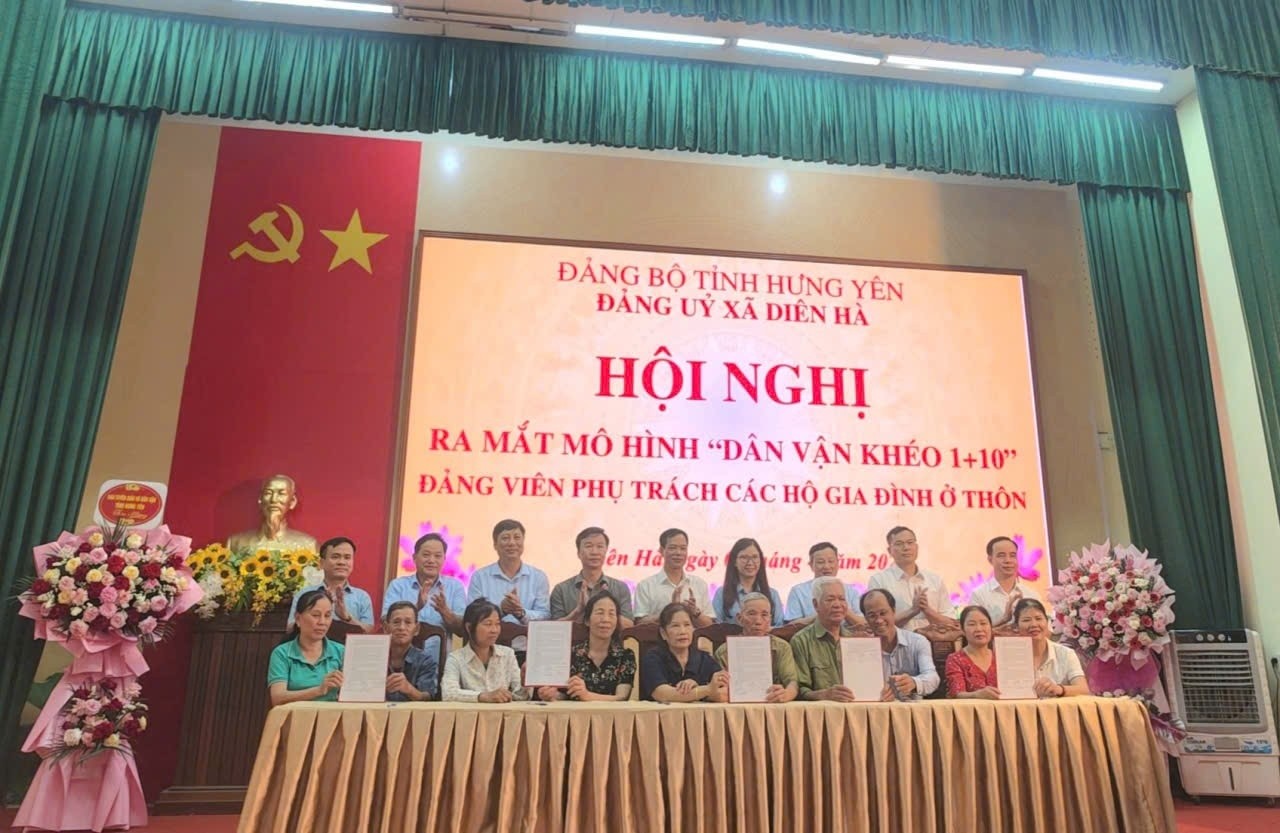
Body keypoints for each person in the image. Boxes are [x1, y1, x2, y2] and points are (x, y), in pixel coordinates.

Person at [536, 591, 636, 702]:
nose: (606, 619)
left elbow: (621, 697)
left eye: (611, 614)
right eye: (600, 613)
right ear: (587, 620)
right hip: (575, 713)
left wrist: (587, 696)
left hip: (612, 713)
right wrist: (551, 695)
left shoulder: (626, 656)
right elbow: (565, 696)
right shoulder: (570, 655)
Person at [867, 526, 956, 632]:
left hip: (933, 641)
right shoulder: (879, 581)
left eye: (910, 542)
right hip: (896, 641)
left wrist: (927, 610)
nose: (906, 547)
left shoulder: (934, 580)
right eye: (899, 544)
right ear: (890, 550)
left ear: (916, 547)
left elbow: (952, 624)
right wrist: (912, 611)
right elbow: (877, 623)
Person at [713, 593, 798, 703]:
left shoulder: (782, 647)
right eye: (752, 614)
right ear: (739, 618)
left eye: (764, 615)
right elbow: (719, 687)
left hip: (773, 703)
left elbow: (792, 682)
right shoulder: (725, 651)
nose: (758, 621)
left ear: (770, 619)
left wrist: (787, 694)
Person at [267, 589, 345, 706]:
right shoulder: (282, 653)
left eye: (327, 616)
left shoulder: (341, 651)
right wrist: (318, 690)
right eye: (315, 615)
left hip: (331, 715)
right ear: (298, 618)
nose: (322, 622)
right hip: (295, 716)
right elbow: (277, 698)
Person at [441, 599, 528, 702]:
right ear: (469, 627)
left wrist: (524, 683)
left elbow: (520, 697)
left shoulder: (508, 654)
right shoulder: (456, 658)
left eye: (497, 624)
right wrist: (482, 696)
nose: (494, 630)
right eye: (488, 624)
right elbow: (448, 694)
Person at [861, 588, 941, 700]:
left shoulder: (918, 642)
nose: (879, 620)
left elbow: (933, 678)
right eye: (872, 616)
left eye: (883, 613)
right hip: (877, 708)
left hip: (912, 709)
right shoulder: (861, 649)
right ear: (866, 618)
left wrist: (914, 682)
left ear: (893, 611)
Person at [639, 603, 728, 702]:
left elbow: (725, 691)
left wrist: (698, 689)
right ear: (663, 633)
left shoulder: (704, 659)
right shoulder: (652, 658)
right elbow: (662, 694)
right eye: (675, 626)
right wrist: (706, 690)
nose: (682, 631)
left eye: (687, 625)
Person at [467, 519, 550, 624]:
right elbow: (472, 616)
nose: (511, 543)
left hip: (526, 634)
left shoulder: (538, 577)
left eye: (517, 537)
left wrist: (521, 613)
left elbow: (545, 615)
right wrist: (501, 609)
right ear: (495, 545)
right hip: (492, 635)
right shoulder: (479, 577)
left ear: (523, 542)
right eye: (505, 538)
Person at [790, 577, 860, 701]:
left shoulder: (855, 640)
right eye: (830, 599)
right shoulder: (801, 641)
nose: (837, 605)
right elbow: (800, 690)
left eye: (842, 599)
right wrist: (825, 695)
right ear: (816, 604)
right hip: (820, 711)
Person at [382, 532, 467, 634]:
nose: (431, 560)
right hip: (405, 645)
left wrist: (445, 611)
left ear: (444, 559)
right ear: (414, 557)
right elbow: (385, 622)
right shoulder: (398, 585)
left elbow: (462, 629)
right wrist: (416, 607)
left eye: (437, 556)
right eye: (426, 555)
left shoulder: (455, 586)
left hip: (441, 644)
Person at [549, 527, 635, 627]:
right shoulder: (561, 590)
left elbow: (628, 625)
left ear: (606, 551)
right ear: (578, 553)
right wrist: (578, 611)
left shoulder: (620, 588)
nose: (594, 552)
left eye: (600, 546)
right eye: (589, 546)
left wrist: (602, 610)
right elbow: (555, 628)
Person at [288, 536, 374, 632]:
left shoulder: (361, 597)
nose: (341, 562)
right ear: (321, 563)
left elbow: (369, 632)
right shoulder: (304, 593)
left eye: (347, 557)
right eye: (335, 557)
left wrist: (346, 617)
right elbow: (290, 628)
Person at [634, 528, 713, 626]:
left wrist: (695, 612)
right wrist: (670, 611)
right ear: (661, 550)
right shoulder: (646, 586)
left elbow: (710, 625)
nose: (678, 553)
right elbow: (639, 623)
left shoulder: (699, 584)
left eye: (683, 548)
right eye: (672, 548)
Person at [1016, 599, 1089, 698]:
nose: (1034, 624)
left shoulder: (1066, 653)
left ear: (1047, 622)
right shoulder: (1009, 656)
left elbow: (1083, 689)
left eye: (1038, 618)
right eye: (1026, 620)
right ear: (1016, 626)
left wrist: (1058, 689)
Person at [785, 541, 864, 625]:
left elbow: (863, 624)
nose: (826, 566)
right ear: (811, 565)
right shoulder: (798, 591)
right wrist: (822, 614)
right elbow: (791, 626)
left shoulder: (851, 592)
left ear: (838, 563)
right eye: (820, 562)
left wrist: (842, 609)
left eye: (831, 561)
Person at [712, 538, 785, 627]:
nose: (750, 562)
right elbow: (716, 627)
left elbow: (779, 627)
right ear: (734, 561)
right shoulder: (722, 594)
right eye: (744, 557)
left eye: (754, 557)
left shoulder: (772, 594)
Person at [968, 536, 1040, 626]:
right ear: (990, 560)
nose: (1008, 560)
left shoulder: (1032, 595)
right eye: (1001, 556)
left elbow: (1046, 630)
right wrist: (1004, 620)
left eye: (1012, 555)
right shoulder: (979, 596)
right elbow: (975, 631)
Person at [383, 601, 438, 701]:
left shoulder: (426, 661)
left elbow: (428, 698)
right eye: (396, 622)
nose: (401, 627)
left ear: (416, 629)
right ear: (386, 628)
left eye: (408, 622)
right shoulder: (373, 657)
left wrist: (409, 689)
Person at [946, 605, 1000, 699]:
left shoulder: (1001, 657)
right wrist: (976, 695)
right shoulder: (955, 659)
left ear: (991, 627)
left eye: (983, 623)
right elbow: (957, 694)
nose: (979, 629)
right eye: (972, 624)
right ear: (963, 630)